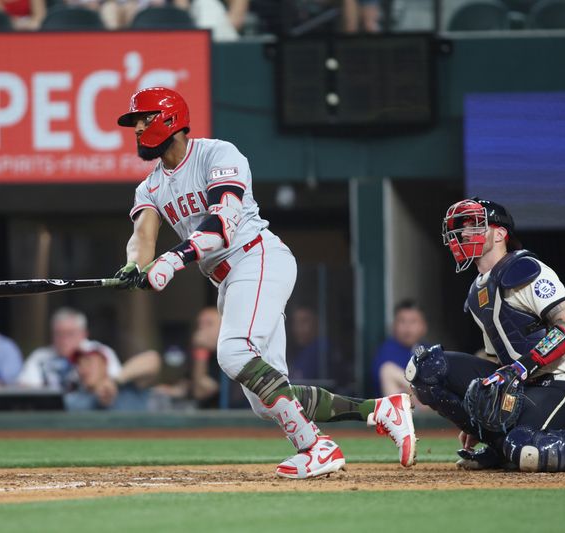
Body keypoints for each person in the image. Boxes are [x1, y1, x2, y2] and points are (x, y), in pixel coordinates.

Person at [113, 86, 414, 478]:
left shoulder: (218, 154)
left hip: (256, 258)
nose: (136, 128)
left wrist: (174, 259)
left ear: (170, 120)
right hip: (228, 279)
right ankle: (380, 410)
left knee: (233, 353)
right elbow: (142, 237)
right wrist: (134, 268)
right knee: (264, 398)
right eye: (134, 121)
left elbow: (222, 223)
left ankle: (316, 447)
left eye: (144, 118)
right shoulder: (150, 186)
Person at [404, 197, 565, 472]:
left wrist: (520, 368)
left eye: (474, 225)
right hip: (521, 386)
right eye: (462, 227)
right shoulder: (477, 290)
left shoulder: (526, 269)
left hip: (564, 385)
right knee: (425, 368)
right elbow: (494, 359)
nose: (465, 233)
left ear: (501, 233)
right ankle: (497, 445)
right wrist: (473, 414)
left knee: (526, 448)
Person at [18, 307, 122, 392]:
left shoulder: (99, 353)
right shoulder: (40, 356)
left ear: (84, 334)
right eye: (58, 334)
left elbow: (115, 383)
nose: (64, 340)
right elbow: (26, 389)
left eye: (70, 334)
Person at [64, 344, 160, 410]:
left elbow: (153, 359)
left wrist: (115, 381)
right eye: (79, 364)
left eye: (88, 362)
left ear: (104, 364)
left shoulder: (129, 388)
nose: (83, 369)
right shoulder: (73, 401)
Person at [370, 299, 428, 398]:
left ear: (423, 326)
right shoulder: (386, 350)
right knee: (387, 370)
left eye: (413, 321)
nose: (407, 327)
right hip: (399, 409)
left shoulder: (428, 350)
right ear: (393, 326)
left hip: (427, 408)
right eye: (402, 321)